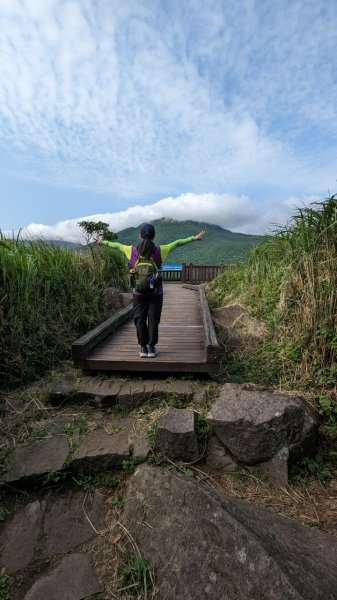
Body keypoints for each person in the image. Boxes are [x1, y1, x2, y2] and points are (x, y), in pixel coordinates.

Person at [97, 223, 205, 357]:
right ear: (154, 236)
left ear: (140, 236)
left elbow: (116, 245)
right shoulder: (160, 250)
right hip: (156, 292)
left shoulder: (131, 250)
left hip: (138, 292)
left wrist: (103, 241)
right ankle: (152, 348)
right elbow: (177, 243)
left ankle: (143, 348)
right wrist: (193, 238)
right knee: (153, 319)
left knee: (139, 319)